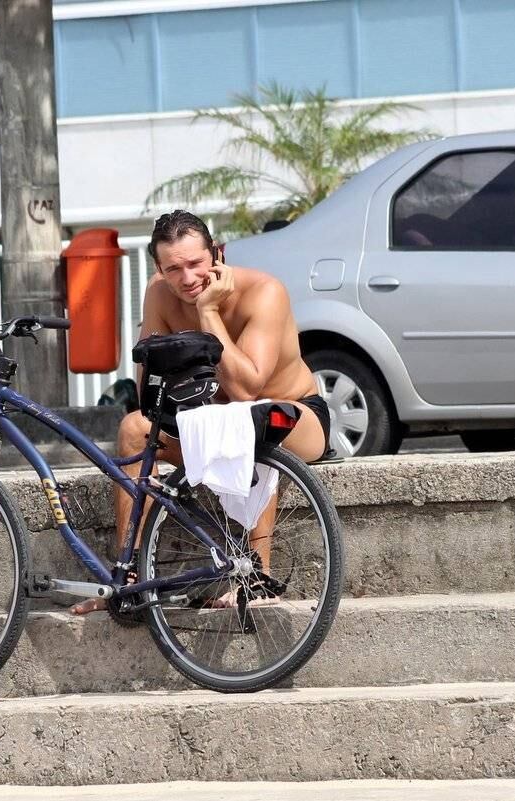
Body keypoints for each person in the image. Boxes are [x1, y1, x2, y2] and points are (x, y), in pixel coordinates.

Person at [72, 210, 330, 614]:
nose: (188, 279)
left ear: (217, 254)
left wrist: (209, 313)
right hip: (213, 418)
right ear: (159, 267)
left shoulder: (264, 292)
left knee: (253, 418)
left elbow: (247, 389)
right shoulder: (159, 294)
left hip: (293, 417)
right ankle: (129, 579)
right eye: (174, 269)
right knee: (134, 429)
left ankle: (257, 577)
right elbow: (149, 393)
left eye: (195, 263)